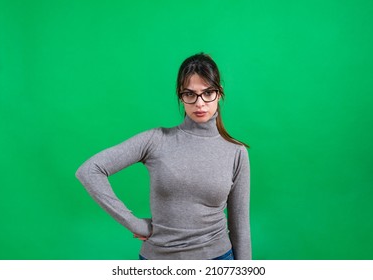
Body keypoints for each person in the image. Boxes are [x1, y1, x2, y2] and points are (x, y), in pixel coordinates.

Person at [75, 53, 251, 260]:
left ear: (219, 93)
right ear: (180, 95)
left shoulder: (236, 152)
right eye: (190, 94)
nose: (200, 103)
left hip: (217, 258)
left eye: (208, 92)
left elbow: (240, 226)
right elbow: (89, 170)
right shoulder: (156, 140)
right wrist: (134, 223)